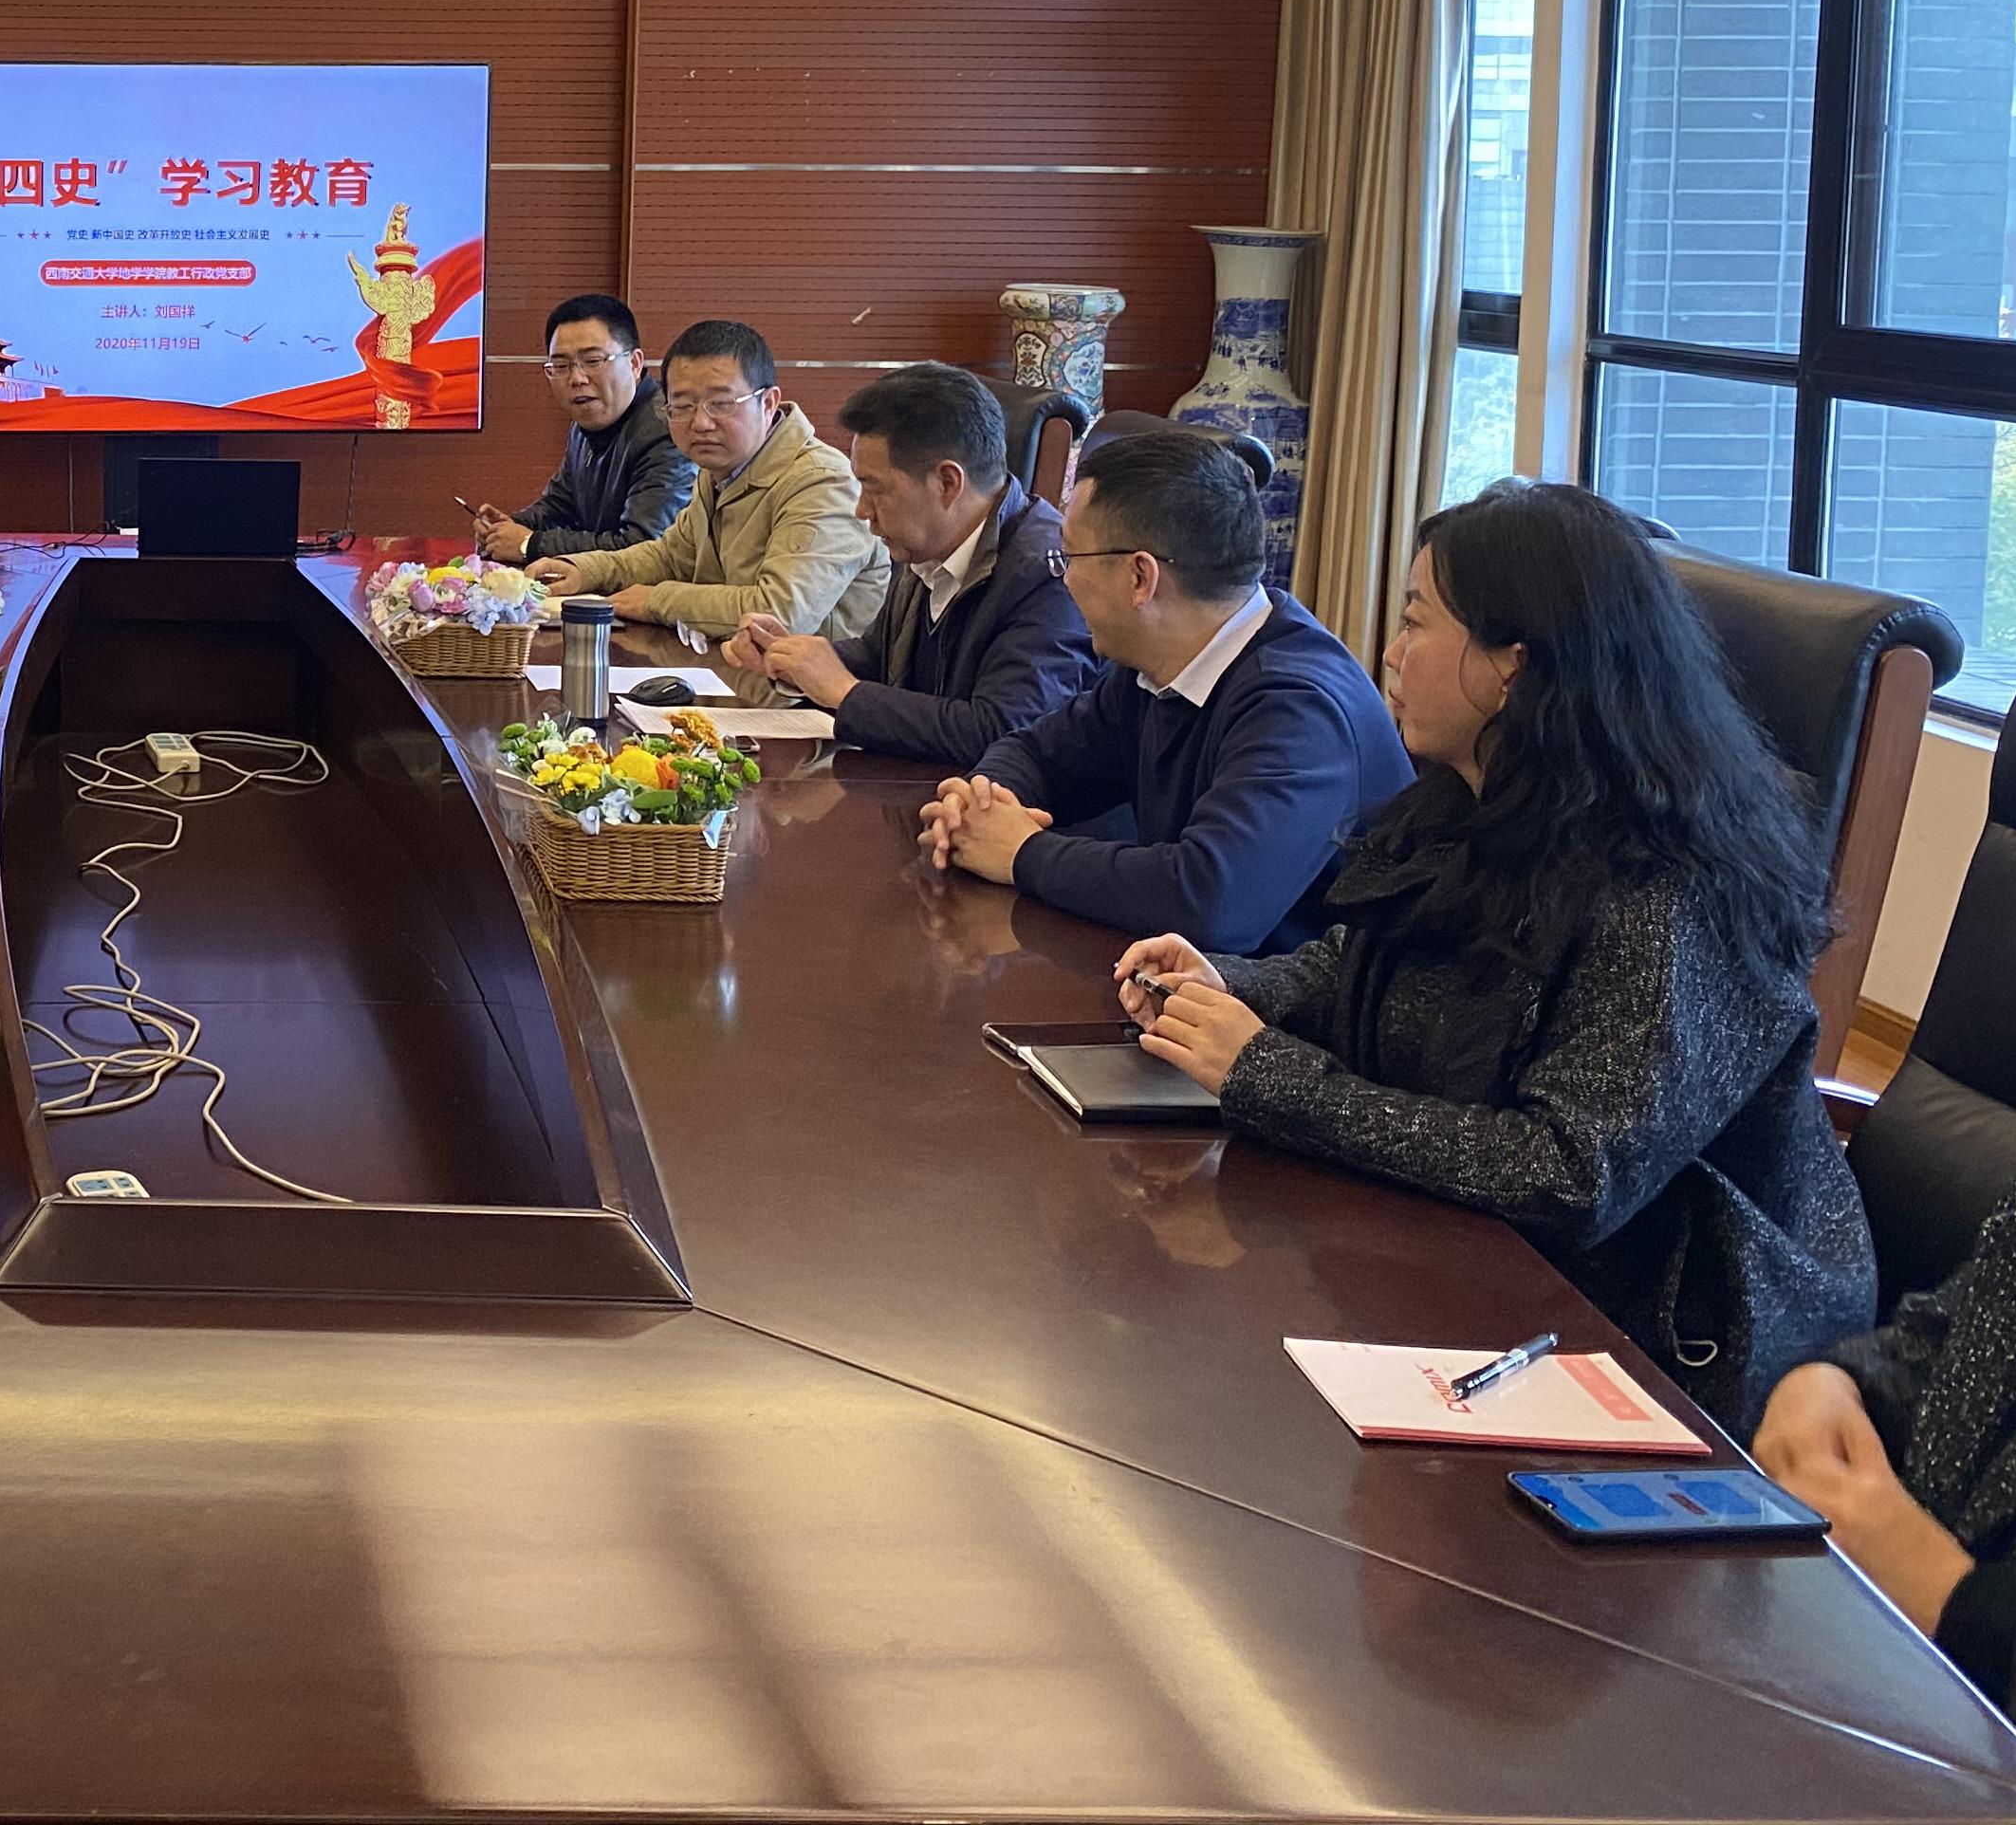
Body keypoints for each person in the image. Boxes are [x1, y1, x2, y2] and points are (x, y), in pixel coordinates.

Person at [1112, 482, 1865, 1428]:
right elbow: (1373, 961)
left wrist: (1270, 1075)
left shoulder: (1671, 891)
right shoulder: (1481, 797)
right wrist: (1230, 983)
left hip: (1669, 1347)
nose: (1390, 653)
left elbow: (1569, 1172)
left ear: (1514, 667)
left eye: (1416, 621)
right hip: (1473, 1260)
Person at [920, 429, 1406, 951]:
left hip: (1294, 998)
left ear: (1140, 577)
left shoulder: (1299, 708)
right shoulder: (1156, 666)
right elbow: (1037, 752)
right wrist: (981, 801)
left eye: (1069, 557)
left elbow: (1213, 901)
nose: (1064, 580)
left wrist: (1020, 852)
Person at [738, 361, 1093, 763]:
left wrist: (844, 693)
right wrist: (792, 661)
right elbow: (880, 660)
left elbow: (1005, 731)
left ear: (947, 483)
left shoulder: (1048, 576)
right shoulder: (929, 544)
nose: (862, 510)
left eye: (875, 489)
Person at [1756, 1181, 2016, 1704]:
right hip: (1881, 1652)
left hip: (1961, 1693)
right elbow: (1936, 1341)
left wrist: (1952, 1599)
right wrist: (1833, 1381)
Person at [526, 318, 885, 643]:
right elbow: (670, 557)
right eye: (682, 406)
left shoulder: (822, 482)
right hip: (736, 670)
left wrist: (657, 601)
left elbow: (779, 612)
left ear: (768, 403)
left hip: (805, 689)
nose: (700, 423)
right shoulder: (720, 470)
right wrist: (584, 569)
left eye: (721, 404)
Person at [469, 293, 695, 562]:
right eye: (561, 366)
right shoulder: (586, 422)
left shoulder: (669, 432)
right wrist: (509, 526)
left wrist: (529, 544)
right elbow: (559, 506)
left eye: (593, 361)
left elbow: (641, 547)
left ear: (634, 363)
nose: (577, 378)